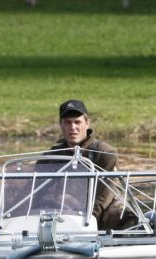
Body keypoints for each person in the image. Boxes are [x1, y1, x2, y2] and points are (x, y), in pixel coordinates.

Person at [44, 99, 131, 231]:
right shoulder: (50, 157)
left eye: (77, 122)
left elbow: (104, 195)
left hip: (100, 214)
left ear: (87, 123)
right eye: (67, 122)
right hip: (63, 212)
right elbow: (36, 193)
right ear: (61, 125)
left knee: (120, 212)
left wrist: (86, 222)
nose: (72, 127)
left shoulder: (105, 153)